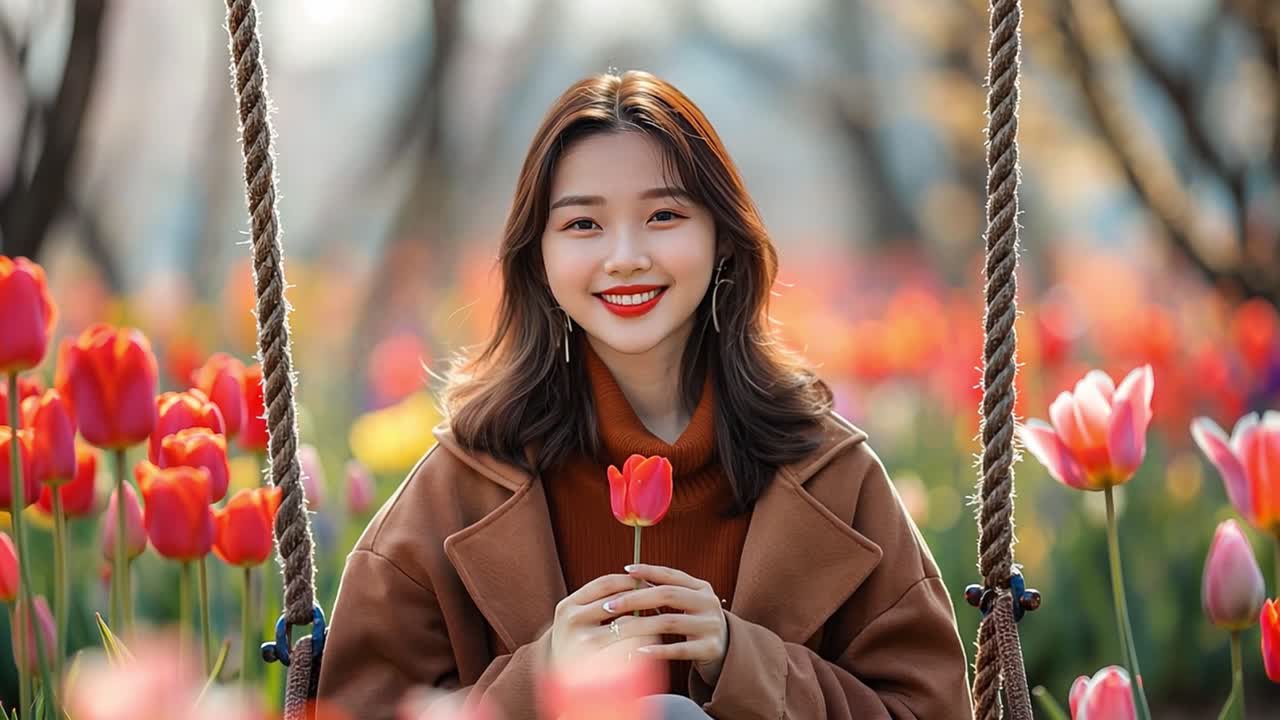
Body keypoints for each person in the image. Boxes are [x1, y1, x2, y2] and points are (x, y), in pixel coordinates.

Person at [317, 70, 974, 720]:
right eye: (583, 225)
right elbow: (359, 704)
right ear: (538, 259)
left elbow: (930, 706)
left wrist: (742, 660)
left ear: (721, 239)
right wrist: (542, 681)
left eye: (664, 216)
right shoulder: (465, 482)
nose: (626, 255)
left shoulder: (828, 474)